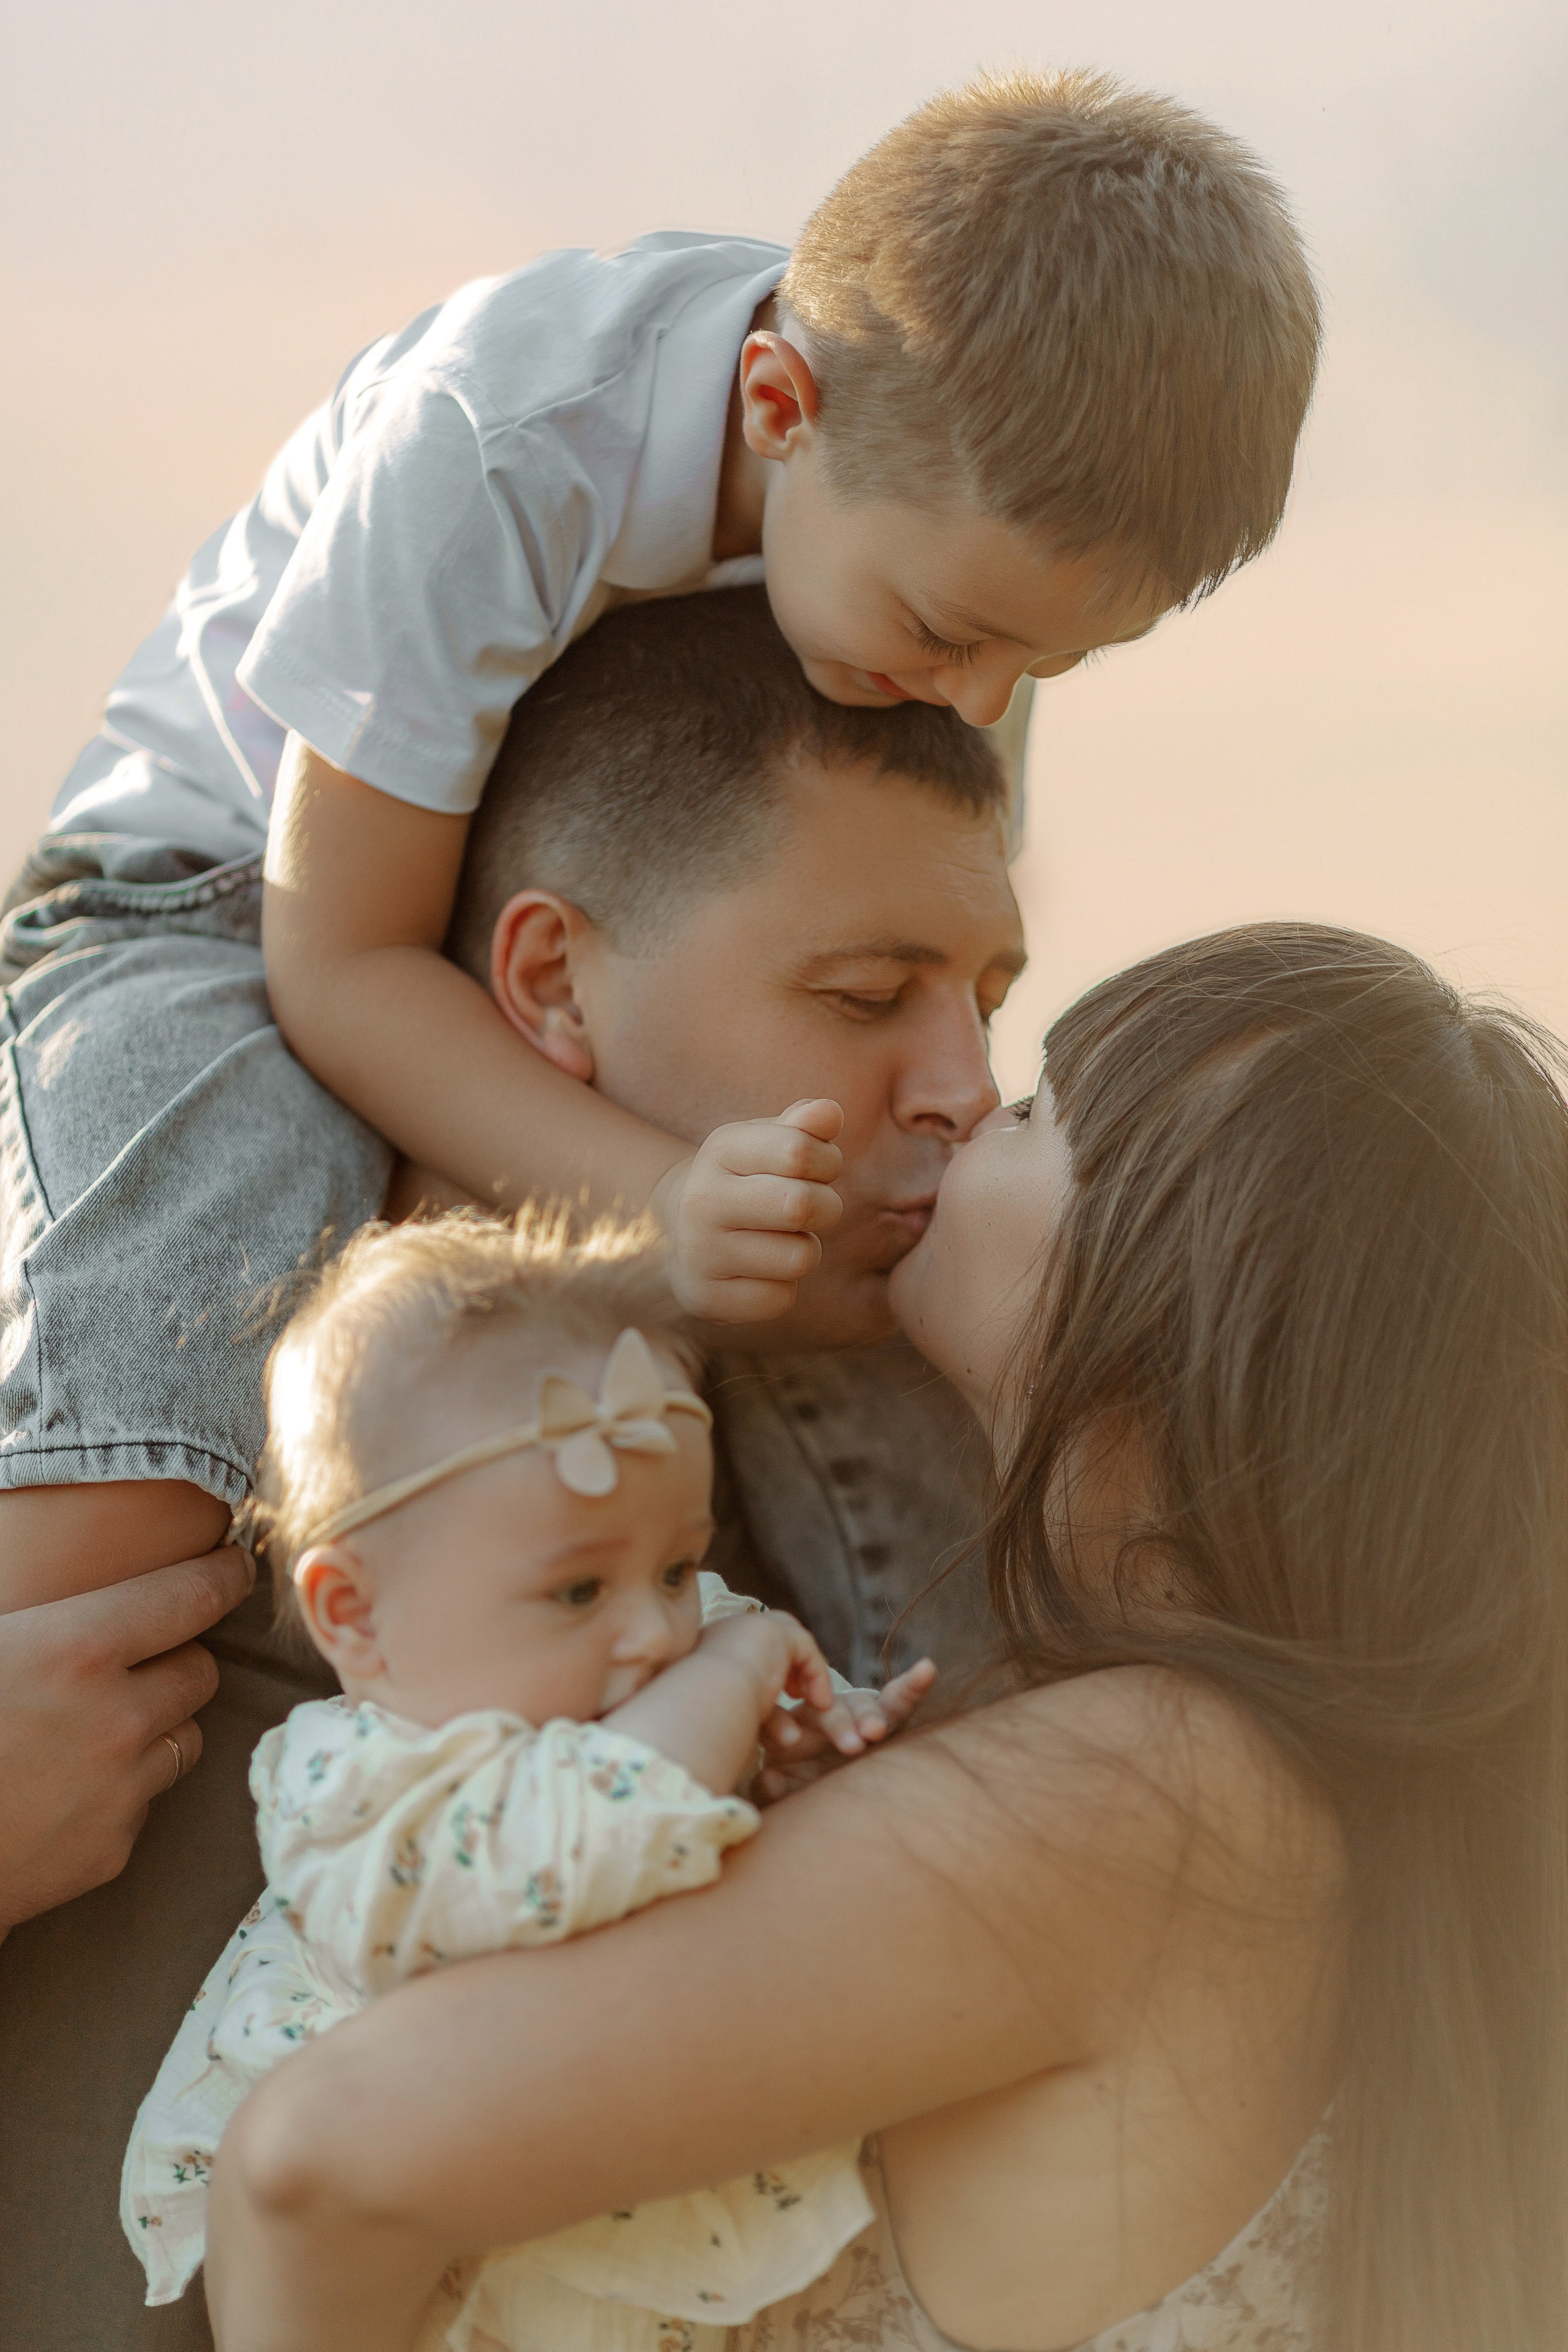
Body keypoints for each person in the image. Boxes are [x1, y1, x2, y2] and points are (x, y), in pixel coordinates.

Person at [2, 65, 1321, 1609]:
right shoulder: (499, 439)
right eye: (945, 630)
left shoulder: (921, 530)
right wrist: (654, 1207)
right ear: (777, 407)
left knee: (843, 1283)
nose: (975, 699)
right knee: (166, 1406)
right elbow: (341, 959)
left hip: (599, 902)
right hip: (235, 897)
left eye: (1042, 664)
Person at [206, 926, 1568, 2352]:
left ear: (1188, 1311)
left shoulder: (1146, 1792)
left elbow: (315, 2165)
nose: (965, 1106)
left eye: (1041, 1110)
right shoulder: (1310, 1795)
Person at [0, 587, 1020, 2351]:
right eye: (868, 995)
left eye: (990, 1000)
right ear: (549, 980)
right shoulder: (109, 1492)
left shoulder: (796, 1592)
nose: (966, 1088)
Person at [126, 1210, 932, 2348]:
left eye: (678, 1562)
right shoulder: (355, 1784)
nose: (657, 1630)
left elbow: (738, 1794)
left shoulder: (689, 1643)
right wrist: (742, 1679)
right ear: (358, 1616)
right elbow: (573, 1845)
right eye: (576, 1592)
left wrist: (805, 1752)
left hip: (651, 2213)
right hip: (445, 2280)